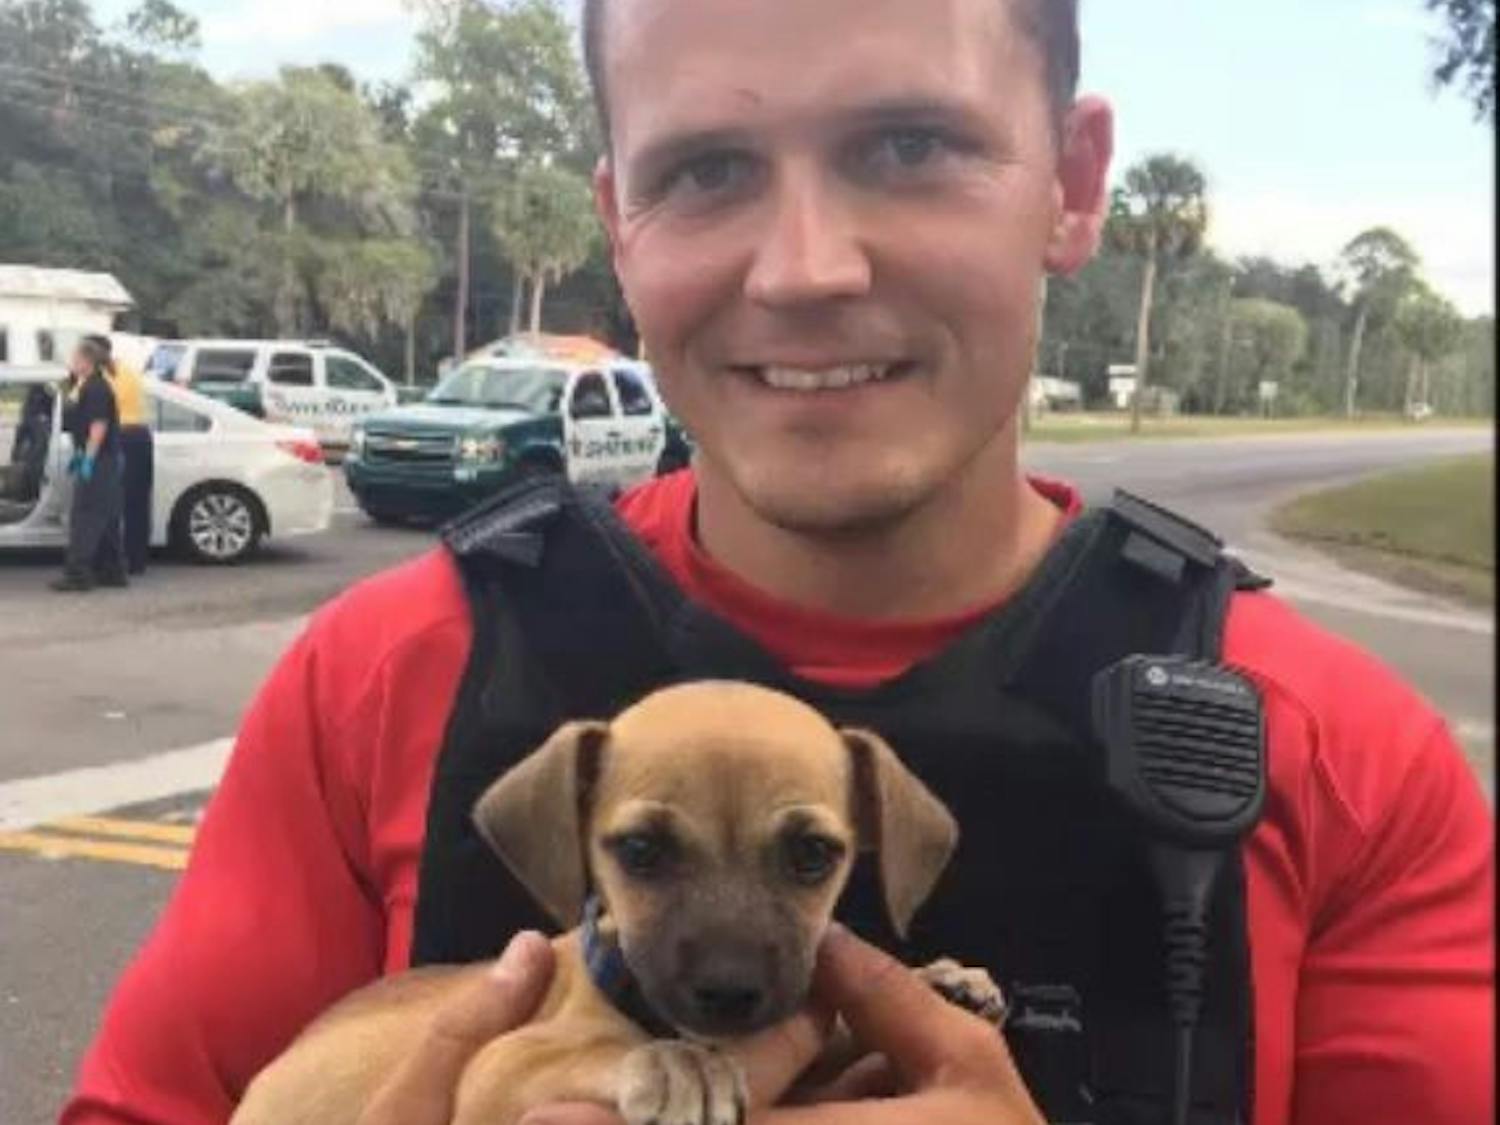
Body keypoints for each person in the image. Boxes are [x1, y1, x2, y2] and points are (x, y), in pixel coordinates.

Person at [63, 1, 1492, 1123]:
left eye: (908, 145)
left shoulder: (1339, 758)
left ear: (1068, 183)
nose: (807, 268)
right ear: (620, 220)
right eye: (709, 168)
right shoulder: (384, 677)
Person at [53, 337, 127, 592]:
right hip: (102, 459)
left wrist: (88, 459)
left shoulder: (96, 389)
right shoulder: (87, 385)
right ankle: (112, 571)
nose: (72, 363)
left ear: (87, 361)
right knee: (106, 517)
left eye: (75, 359)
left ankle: (78, 575)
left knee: (86, 517)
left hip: (100, 460)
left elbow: (99, 426)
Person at [90, 335, 155, 575]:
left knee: (109, 502)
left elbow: (90, 410)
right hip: (138, 436)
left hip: (119, 437)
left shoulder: (101, 378)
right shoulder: (125, 371)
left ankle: (110, 562)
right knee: (136, 503)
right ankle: (136, 560)